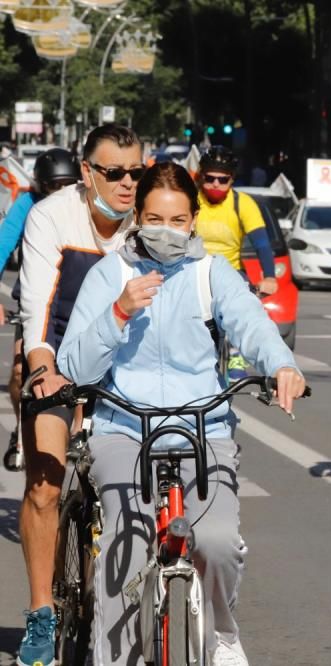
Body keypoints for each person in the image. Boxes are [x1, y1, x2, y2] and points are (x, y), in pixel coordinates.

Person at [56, 162, 306, 666]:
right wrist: (118, 313)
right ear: (137, 218)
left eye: (176, 220)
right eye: (153, 219)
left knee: (215, 543)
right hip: (123, 429)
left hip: (202, 427)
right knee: (124, 552)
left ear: (193, 220)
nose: (164, 231)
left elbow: (253, 327)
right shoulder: (111, 274)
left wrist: (282, 365)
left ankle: (222, 634)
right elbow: (73, 366)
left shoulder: (211, 274)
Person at [16, 124, 140, 666]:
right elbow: (37, 308)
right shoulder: (51, 216)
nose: (129, 184)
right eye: (115, 173)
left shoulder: (148, 217)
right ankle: (42, 615)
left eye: (136, 171)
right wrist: (41, 367)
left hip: (126, 366)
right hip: (60, 360)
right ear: (88, 173)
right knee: (46, 481)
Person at [0, 148, 81, 471]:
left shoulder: (84, 205)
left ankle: (77, 433)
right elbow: (4, 246)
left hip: (76, 304)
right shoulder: (28, 205)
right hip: (36, 303)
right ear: (39, 185)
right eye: (53, 186)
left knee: (81, 375)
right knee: (22, 371)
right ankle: (22, 426)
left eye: (68, 184)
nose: (60, 193)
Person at [193, 146, 278, 381]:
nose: (216, 185)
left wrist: (269, 277)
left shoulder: (244, 204)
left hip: (229, 271)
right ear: (200, 175)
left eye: (223, 179)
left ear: (232, 180)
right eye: (209, 178)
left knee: (240, 304)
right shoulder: (190, 199)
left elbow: (262, 244)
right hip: (191, 268)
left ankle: (235, 353)